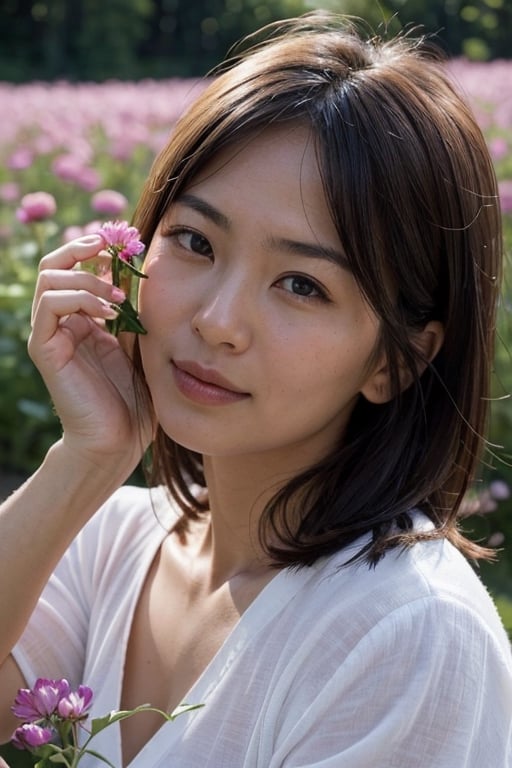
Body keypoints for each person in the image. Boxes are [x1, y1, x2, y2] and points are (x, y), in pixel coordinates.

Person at [0, 10, 511, 767]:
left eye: (302, 284)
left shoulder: (405, 636)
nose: (217, 321)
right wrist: (86, 459)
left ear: (397, 361)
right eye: (196, 241)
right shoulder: (109, 539)